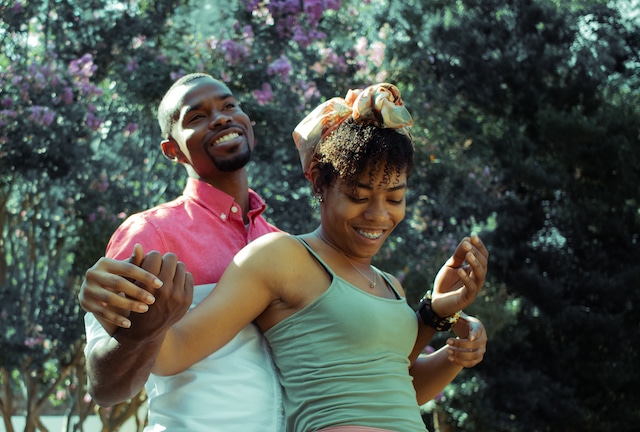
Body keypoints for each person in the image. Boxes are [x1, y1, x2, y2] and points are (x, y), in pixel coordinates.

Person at [149, 83, 489, 432]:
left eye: (394, 198)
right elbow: (174, 351)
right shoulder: (281, 256)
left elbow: (400, 390)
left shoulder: (390, 286)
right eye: (358, 196)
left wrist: (449, 340)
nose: (378, 215)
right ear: (317, 184)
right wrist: (121, 308)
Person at [79, 73, 287, 431]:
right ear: (172, 150)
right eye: (196, 117)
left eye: (229, 106)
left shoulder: (283, 244)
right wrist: (140, 334)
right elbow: (107, 388)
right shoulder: (149, 234)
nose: (221, 118)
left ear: (249, 124)